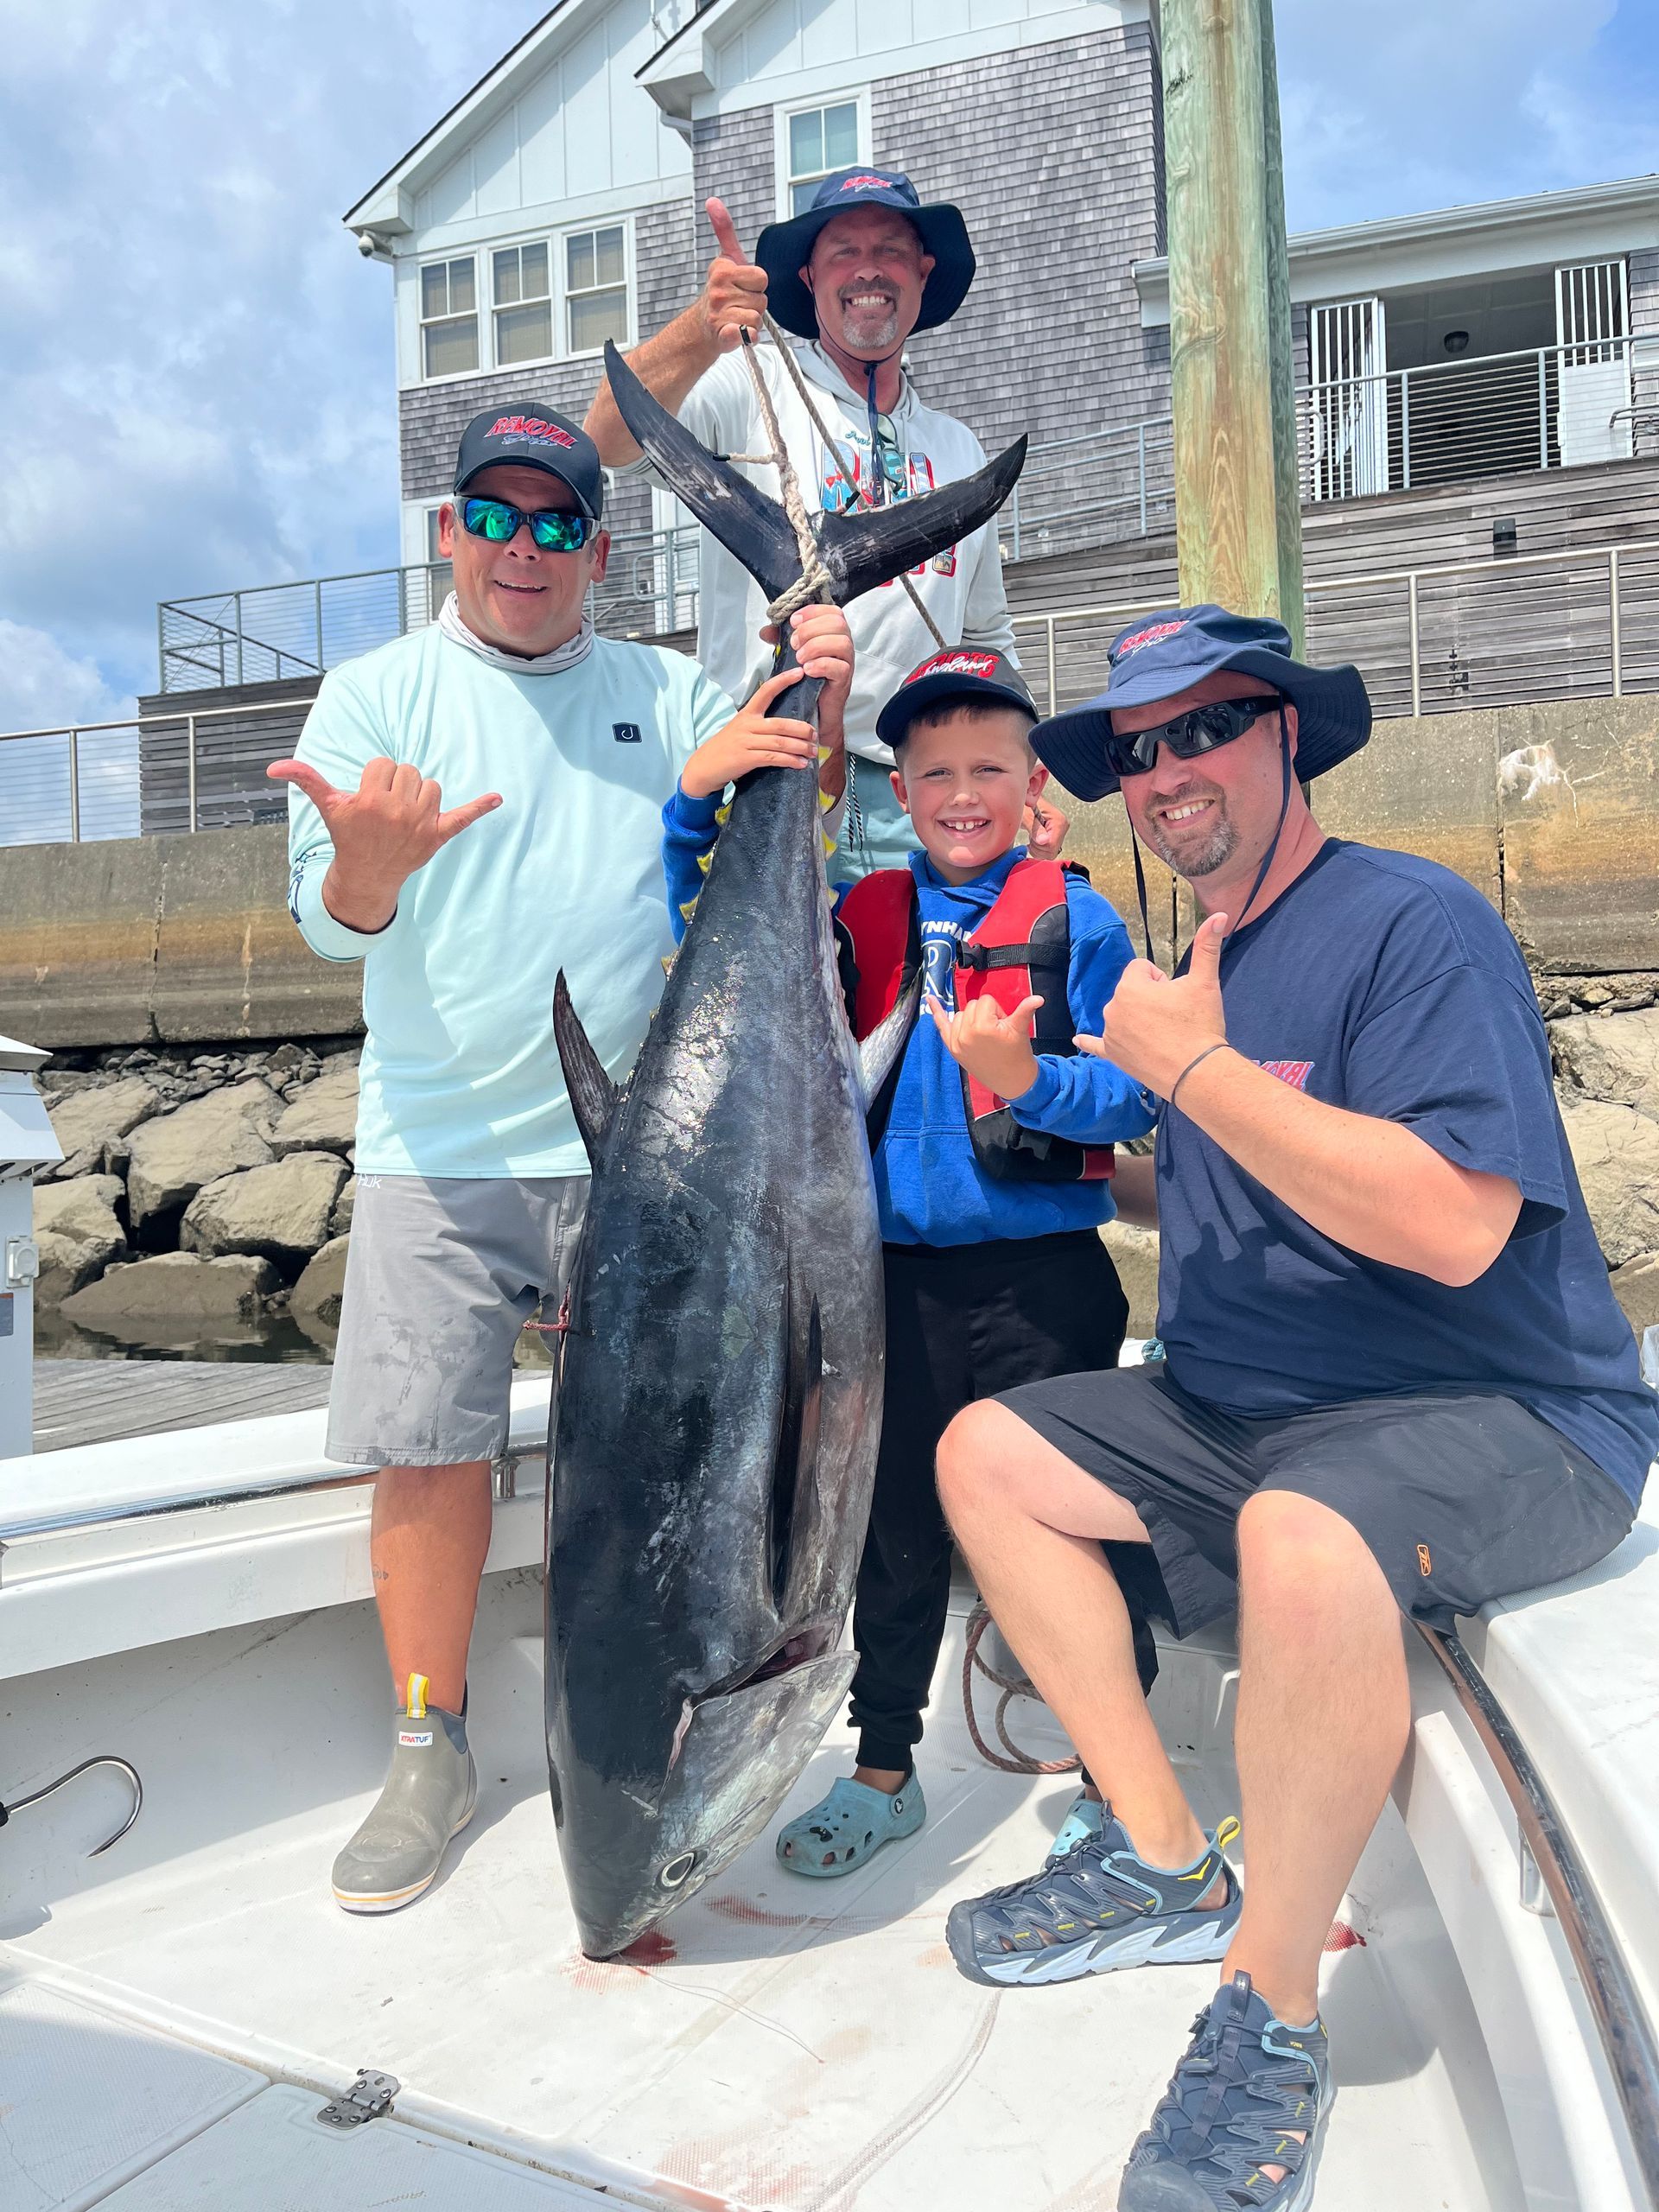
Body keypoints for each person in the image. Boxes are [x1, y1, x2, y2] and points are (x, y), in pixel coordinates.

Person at [933, 605, 1657, 2210]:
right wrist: (1056, 1121)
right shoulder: (1206, 964)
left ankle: (1267, 2011)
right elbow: (1214, 1177)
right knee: (986, 1452)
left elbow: (1458, 1221)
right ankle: (1165, 1856)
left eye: (1206, 728)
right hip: (1249, 1408)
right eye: (1140, 749)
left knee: (1302, 1534)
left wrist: (1190, 1075)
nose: (1170, 768)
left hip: (1506, 1413)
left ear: (1286, 737)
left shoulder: (1414, 926)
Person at [270, 404, 854, 1915]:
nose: (524, 549)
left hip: (657, 1158)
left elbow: (801, 808)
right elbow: (330, 916)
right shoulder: (376, 696)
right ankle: (429, 1743)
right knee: (428, 1443)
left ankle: (648, 1713)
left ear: (600, 546)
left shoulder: (663, 689)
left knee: (665, 1472)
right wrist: (371, 867)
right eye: (496, 517)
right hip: (444, 1139)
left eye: (556, 523)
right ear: (451, 532)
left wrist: (815, 700)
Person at [662, 644, 1159, 1875]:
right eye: (934, 771)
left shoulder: (1078, 919)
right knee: (889, 1537)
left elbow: (1135, 1095)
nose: (962, 793)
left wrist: (1030, 1079)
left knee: (1075, 1532)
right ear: (898, 793)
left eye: (990, 766)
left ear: (1033, 780)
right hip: (888, 1289)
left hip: (1048, 1284)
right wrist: (689, 809)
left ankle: (1114, 1775)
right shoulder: (861, 917)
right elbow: (709, 938)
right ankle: (884, 1770)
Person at [586, 168, 1065, 877]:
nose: (869, 269)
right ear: (807, 278)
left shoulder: (958, 449)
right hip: (768, 765)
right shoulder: (749, 388)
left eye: (891, 250)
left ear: (923, 273)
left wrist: (1019, 764)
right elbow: (605, 442)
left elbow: (986, 634)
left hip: (924, 789)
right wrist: (700, 329)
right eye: (844, 250)